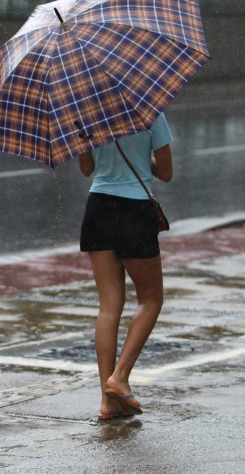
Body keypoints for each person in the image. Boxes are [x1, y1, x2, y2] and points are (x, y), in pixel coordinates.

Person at [77, 113, 174, 421]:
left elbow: (86, 169)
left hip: (98, 209)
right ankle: (120, 377)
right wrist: (145, 162)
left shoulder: (84, 114)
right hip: (134, 211)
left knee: (108, 306)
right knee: (151, 300)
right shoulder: (150, 113)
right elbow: (167, 172)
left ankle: (108, 403)